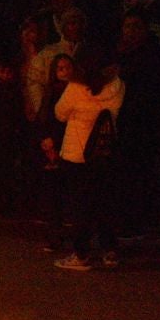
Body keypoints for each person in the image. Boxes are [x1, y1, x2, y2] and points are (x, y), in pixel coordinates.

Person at [51, 53, 123, 271]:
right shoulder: (117, 86)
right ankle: (109, 250)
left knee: (80, 205)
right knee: (104, 202)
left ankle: (81, 254)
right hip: (104, 151)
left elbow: (60, 113)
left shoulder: (75, 88)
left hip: (78, 153)